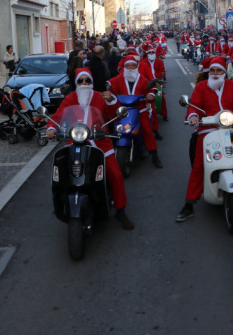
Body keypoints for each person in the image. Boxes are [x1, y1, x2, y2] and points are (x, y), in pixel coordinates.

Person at [45, 67, 135, 230]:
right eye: (81, 80)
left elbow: (116, 113)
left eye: (88, 80)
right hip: (74, 141)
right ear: (76, 83)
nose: (84, 83)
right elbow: (58, 116)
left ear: (92, 82)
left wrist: (111, 100)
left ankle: (121, 211)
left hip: (100, 143)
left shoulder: (100, 96)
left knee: (115, 174)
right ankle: (62, 202)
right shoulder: (70, 98)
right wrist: (51, 128)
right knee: (61, 172)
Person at [175, 56, 233, 222]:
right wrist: (193, 116)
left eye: (219, 70)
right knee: (199, 165)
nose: (215, 73)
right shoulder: (201, 87)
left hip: (232, 128)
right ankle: (189, 204)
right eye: (212, 70)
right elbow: (194, 106)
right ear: (208, 72)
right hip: (208, 130)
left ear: (224, 72)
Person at [108, 56, 163, 169]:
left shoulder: (142, 79)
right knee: (112, 127)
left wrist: (150, 95)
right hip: (123, 111)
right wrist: (107, 91)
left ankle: (154, 155)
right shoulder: (119, 79)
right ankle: (109, 153)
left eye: (133, 66)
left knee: (147, 130)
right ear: (124, 67)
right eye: (128, 66)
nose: (130, 68)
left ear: (136, 66)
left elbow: (152, 89)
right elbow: (109, 85)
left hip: (140, 110)